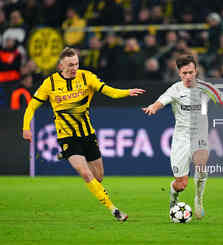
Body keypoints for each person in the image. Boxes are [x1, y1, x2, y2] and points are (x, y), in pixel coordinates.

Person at [22, 47, 145, 222]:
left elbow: (109, 91)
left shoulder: (86, 76)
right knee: (86, 174)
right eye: (70, 64)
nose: (74, 67)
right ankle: (114, 210)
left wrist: (127, 92)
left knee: (98, 177)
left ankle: (66, 155)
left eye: (76, 64)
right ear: (61, 65)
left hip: (87, 135)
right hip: (66, 137)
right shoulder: (50, 83)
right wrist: (26, 127)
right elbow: (31, 106)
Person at [142, 55, 223, 219]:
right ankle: (173, 198)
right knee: (181, 184)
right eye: (184, 73)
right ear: (179, 73)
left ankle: (199, 198)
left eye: (191, 72)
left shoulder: (206, 88)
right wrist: (153, 107)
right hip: (181, 138)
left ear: (196, 71)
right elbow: (161, 101)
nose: (188, 76)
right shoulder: (175, 90)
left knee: (201, 164)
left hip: (200, 134)